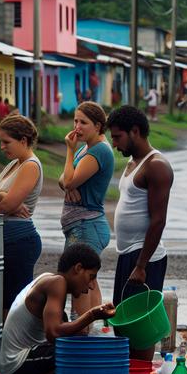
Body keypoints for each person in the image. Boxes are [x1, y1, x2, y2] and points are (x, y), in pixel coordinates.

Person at [0, 244, 115, 374]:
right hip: (15, 364)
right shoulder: (57, 282)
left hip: (23, 359)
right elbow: (53, 333)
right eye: (91, 277)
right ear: (78, 268)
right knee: (78, 354)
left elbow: (64, 330)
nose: (91, 286)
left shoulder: (52, 279)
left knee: (78, 345)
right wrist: (91, 315)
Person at [108, 106, 173, 312]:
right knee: (123, 320)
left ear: (134, 131)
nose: (114, 144)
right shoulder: (133, 161)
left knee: (138, 326)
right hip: (129, 254)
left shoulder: (156, 166)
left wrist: (141, 265)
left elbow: (158, 220)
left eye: (118, 137)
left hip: (144, 258)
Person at [0, 116, 45, 316]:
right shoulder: (12, 165)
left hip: (20, 240)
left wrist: (2, 203)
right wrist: (2, 196)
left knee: (13, 303)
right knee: (1, 300)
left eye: (6, 142)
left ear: (23, 141)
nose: (2, 146)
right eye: (1, 141)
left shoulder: (30, 165)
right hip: (5, 238)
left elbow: (5, 207)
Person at [59, 102, 115, 315]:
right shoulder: (88, 148)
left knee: (78, 286)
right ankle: (91, 334)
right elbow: (63, 180)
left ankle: (81, 336)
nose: (77, 127)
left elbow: (69, 180)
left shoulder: (98, 150)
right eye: (75, 121)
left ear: (98, 126)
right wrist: (68, 182)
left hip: (87, 226)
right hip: (84, 225)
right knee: (89, 281)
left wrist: (69, 151)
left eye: (84, 122)